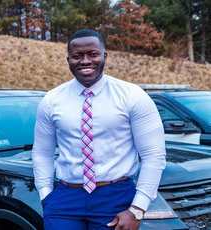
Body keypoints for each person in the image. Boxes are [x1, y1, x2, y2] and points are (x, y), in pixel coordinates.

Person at [32, 29, 166, 230]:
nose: (85, 61)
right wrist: (46, 196)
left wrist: (138, 209)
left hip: (115, 197)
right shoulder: (52, 100)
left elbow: (154, 155)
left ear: (104, 56)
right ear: (68, 59)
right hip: (65, 200)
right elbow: (42, 153)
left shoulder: (132, 96)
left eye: (92, 54)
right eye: (77, 56)